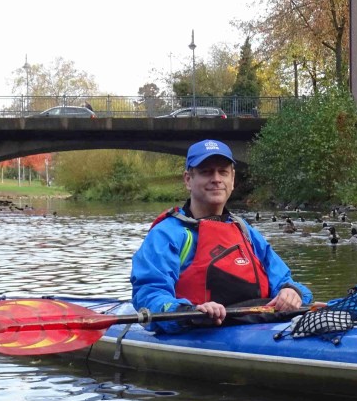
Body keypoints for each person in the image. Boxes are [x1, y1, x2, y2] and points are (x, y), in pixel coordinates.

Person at [130, 139, 312, 333]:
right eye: (206, 172)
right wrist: (191, 312)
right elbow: (150, 293)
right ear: (188, 180)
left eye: (223, 172)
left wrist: (292, 292)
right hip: (197, 330)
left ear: (232, 180)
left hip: (260, 327)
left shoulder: (245, 231)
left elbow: (284, 279)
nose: (216, 179)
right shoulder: (167, 234)